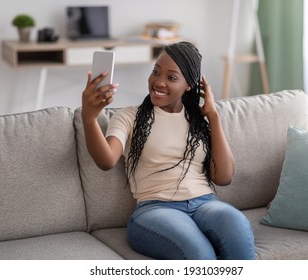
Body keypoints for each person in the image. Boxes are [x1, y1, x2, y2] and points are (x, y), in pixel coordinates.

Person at [81, 41, 255, 260]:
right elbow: (106, 160)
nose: (159, 82)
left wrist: (213, 116)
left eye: (171, 77)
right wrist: (89, 118)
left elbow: (224, 177)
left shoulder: (200, 121)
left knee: (236, 224)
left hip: (205, 204)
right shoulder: (129, 116)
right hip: (156, 210)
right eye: (156, 72)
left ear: (189, 85)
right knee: (200, 253)